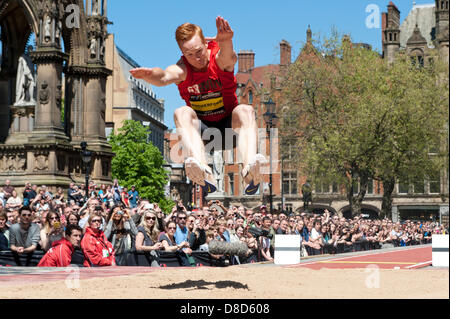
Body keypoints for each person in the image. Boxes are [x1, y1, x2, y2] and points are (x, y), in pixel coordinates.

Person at [130, 16, 266, 196]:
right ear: (182, 53)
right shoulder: (183, 69)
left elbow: (228, 56)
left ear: (206, 43)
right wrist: (149, 75)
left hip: (230, 129)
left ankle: (250, 171)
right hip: (204, 134)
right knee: (181, 112)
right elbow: (163, 76)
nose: (196, 58)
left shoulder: (218, 59)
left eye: (199, 51)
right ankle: (203, 170)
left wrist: (226, 40)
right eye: (189, 55)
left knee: (245, 110)